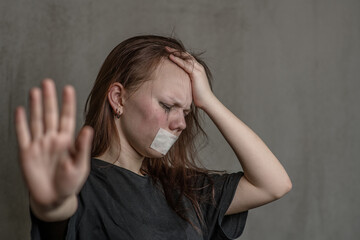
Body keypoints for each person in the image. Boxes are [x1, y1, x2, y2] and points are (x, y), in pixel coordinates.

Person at [14, 35, 292, 240]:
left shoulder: (184, 191)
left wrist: (209, 101)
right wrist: (52, 204)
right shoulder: (79, 184)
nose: (181, 123)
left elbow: (273, 184)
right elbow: (58, 213)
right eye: (167, 106)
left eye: (187, 111)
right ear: (118, 98)